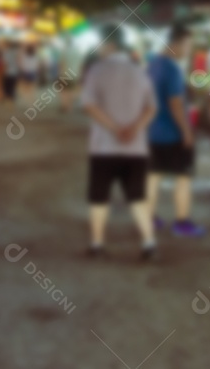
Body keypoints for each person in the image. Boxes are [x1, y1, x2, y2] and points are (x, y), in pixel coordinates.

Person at [80, 24, 159, 260]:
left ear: (109, 44)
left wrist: (115, 128)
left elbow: (89, 105)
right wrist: (134, 129)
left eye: (101, 45)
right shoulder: (140, 71)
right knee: (137, 197)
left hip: (103, 147)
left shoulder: (96, 70)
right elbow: (152, 107)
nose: (99, 49)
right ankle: (148, 243)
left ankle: (96, 244)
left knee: (99, 196)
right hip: (136, 148)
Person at [146, 24, 204, 237]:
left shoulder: (152, 65)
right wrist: (186, 131)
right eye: (188, 45)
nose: (189, 50)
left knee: (153, 176)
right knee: (183, 177)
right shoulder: (172, 68)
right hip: (172, 133)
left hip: (153, 132)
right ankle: (182, 222)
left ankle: (149, 218)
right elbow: (176, 103)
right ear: (176, 44)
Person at [0, 40, 20, 104]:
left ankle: (8, 102)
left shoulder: (6, 53)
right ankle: (12, 100)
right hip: (14, 72)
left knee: (7, 87)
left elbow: (5, 64)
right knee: (12, 87)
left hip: (8, 73)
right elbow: (18, 62)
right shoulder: (16, 52)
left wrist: (3, 71)